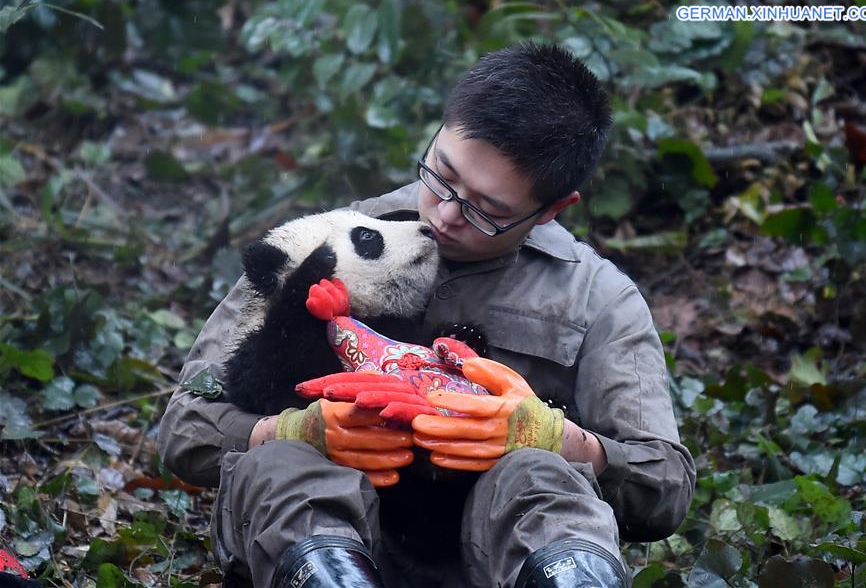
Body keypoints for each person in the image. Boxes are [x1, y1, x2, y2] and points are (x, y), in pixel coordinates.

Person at [158, 42, 695, 588]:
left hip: (495, 562)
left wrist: (567, 442)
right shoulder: (327, 239)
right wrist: (285, 430)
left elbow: (668, 485)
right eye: (441, 173)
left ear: (554, 208)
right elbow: (184, 428)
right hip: (318, 536)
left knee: (539, 475)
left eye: (488, 210)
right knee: (286, 464)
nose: (444, 213)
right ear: (441, 128)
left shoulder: (598, 297)